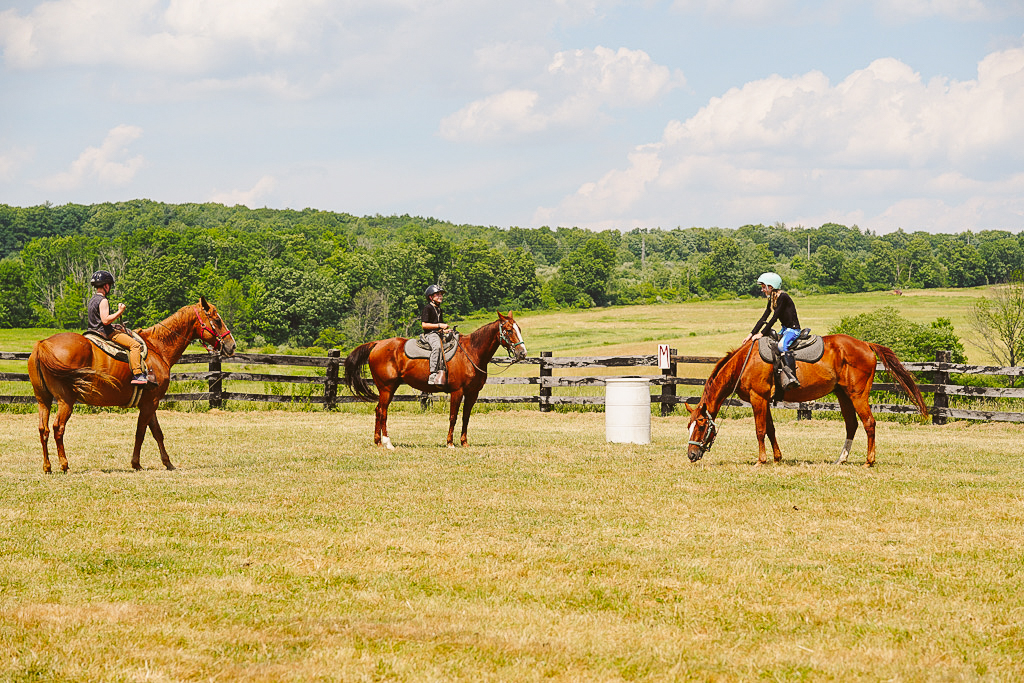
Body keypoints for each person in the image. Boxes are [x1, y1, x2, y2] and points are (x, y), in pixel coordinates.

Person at [742, 272, 801, 390]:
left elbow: (774, 318)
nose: (762, 290)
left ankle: (791, 377)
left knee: (781, 346)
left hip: (793, 330)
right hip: (784, 329)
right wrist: (751, 334)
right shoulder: (772, 299)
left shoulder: (783, 297)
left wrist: (761, 333)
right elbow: (764, 318)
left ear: (771, 286)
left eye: (764, 287)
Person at [87, 270, 147, 385]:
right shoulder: (103, 300)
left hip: (92, 331)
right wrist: (120, 311)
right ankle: (138, 374)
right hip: (105, 333)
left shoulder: (92, 300)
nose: (109, 287)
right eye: (109, 285)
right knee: (135, 345)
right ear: (106, 285)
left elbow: (98, 320)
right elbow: (105, 320)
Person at [421, 284, 449, 385]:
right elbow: (424, 325)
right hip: (430, 335)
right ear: (431, 297)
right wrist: (439, 325)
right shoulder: (427, 308)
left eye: (441, 295)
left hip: (438, 334)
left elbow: (439, 328)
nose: (440, 296)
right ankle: (432, 374)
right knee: (437, 347)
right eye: (437, 295)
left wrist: (445, 331)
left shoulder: (439, 309)